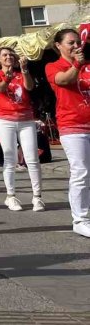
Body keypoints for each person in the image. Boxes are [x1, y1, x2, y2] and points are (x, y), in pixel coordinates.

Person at [45, 29, 90, 237]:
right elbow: (64, 80)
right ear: (59, 46)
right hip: (73, 127)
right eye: (70, 43)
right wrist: (78, 64)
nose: (75, 46)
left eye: (77, 42)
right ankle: (80, 219)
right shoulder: (53, 67)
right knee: (80, 172)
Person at [0, 47, 42, 212]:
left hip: (26, 120)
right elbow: (0, 88)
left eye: (11, 54)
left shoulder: (21, 74)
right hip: (5, 120)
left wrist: (25, 70)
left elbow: (30, 87)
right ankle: (10, 196)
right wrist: (7, 78)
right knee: (10, 157)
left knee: (32, 158)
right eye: (4, 55)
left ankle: (37, 197)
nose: (8, 57)